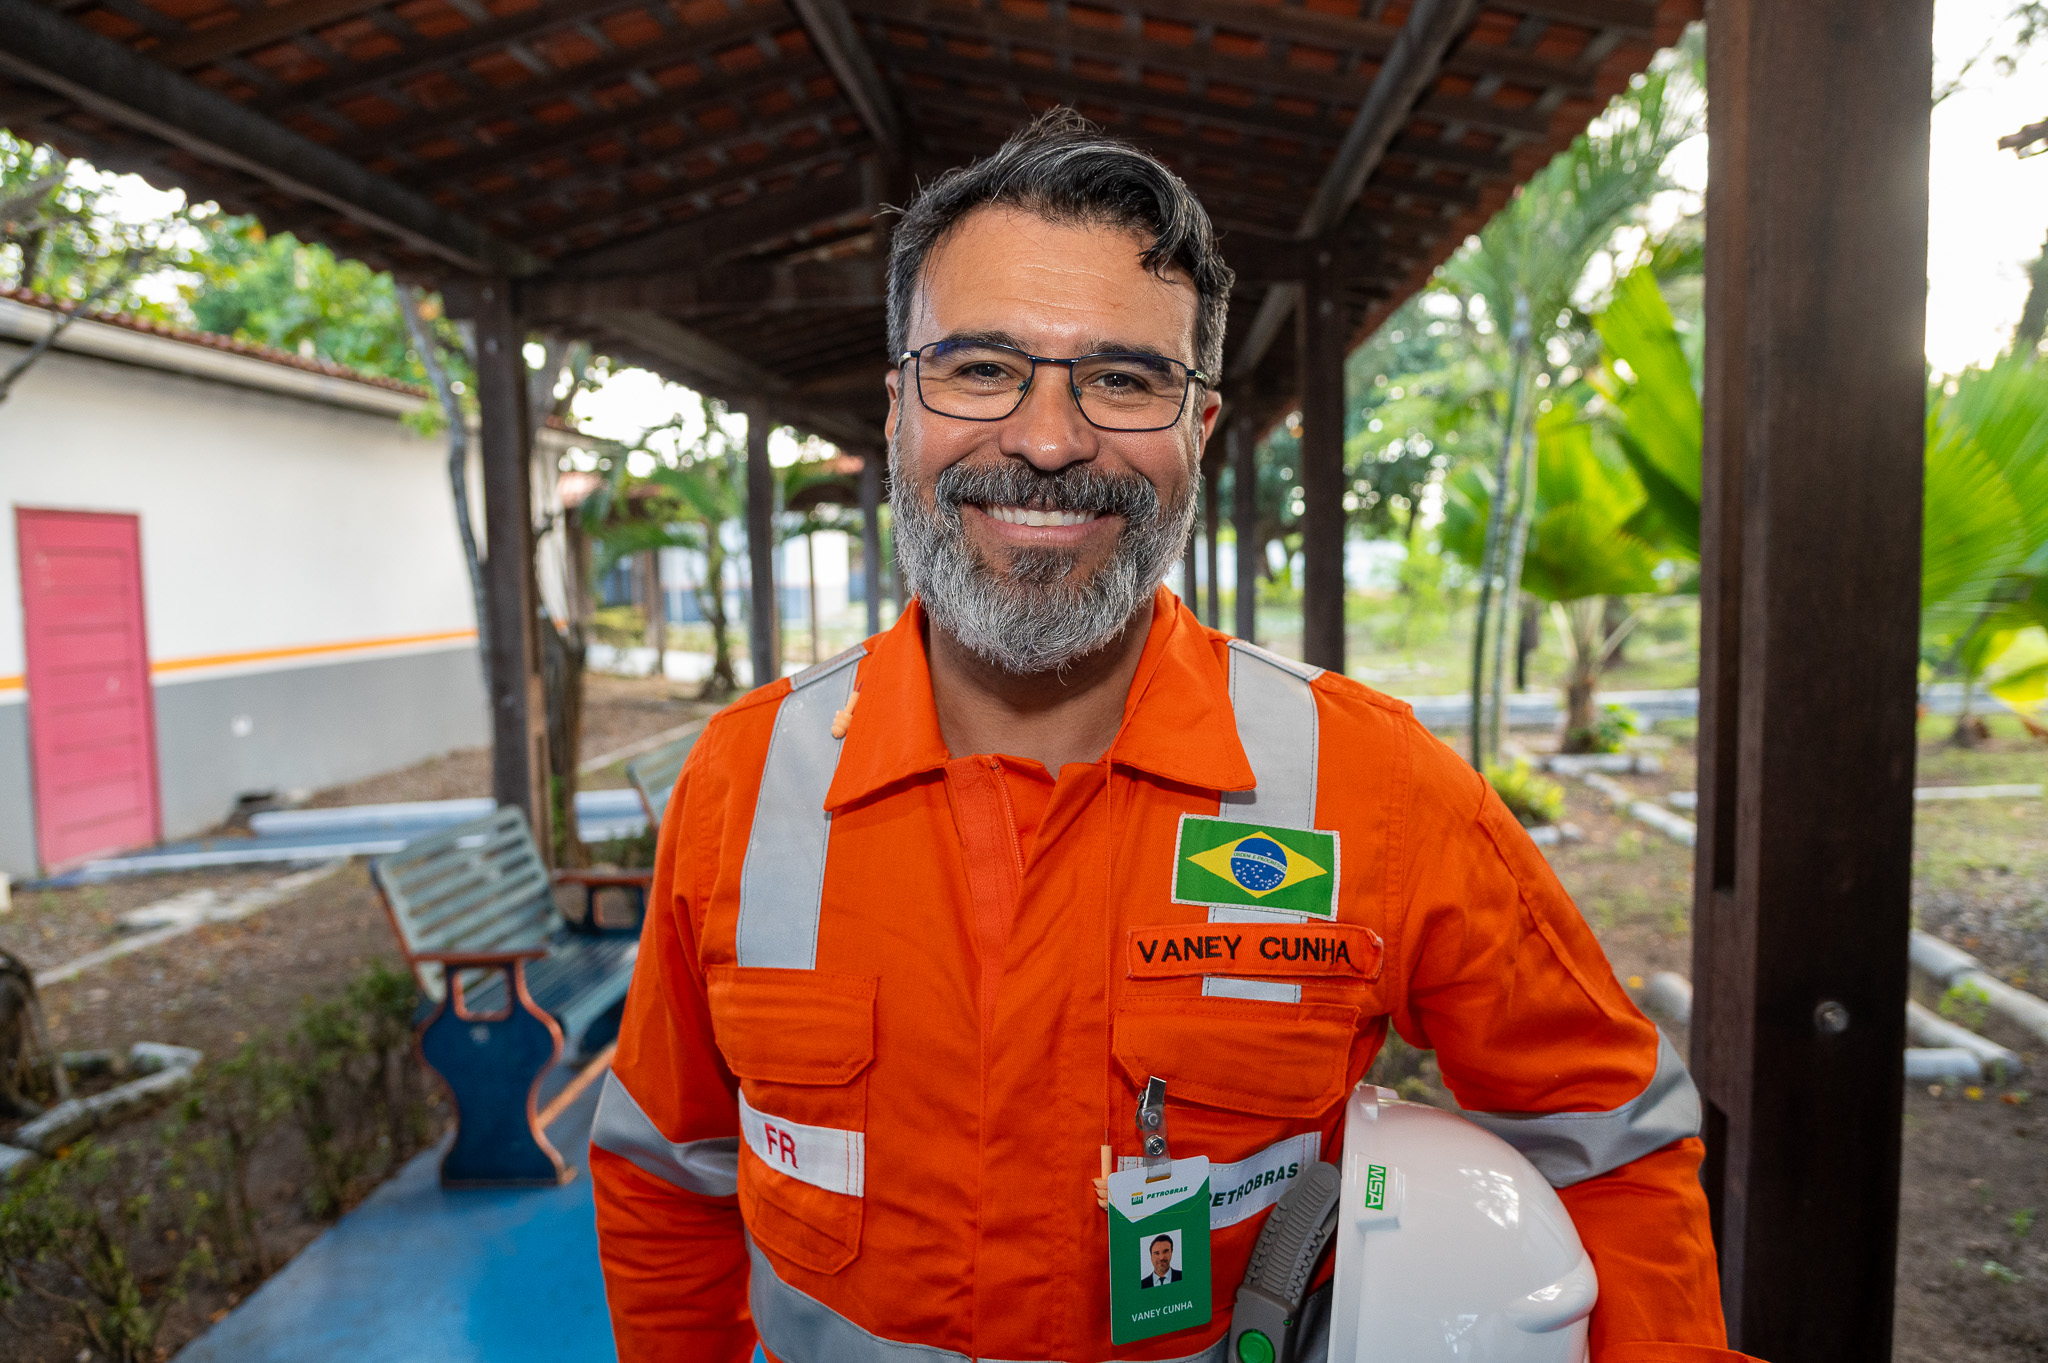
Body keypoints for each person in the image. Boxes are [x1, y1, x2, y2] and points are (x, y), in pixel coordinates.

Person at [590, 109, 1759, 1363]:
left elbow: (1603, 1143)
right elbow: (666, 1173)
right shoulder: (744, 783)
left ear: (1196, 430)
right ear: (895, 412)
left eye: (1123, 379)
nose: (1048, 441)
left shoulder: (1370, 785)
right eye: (978, 368)